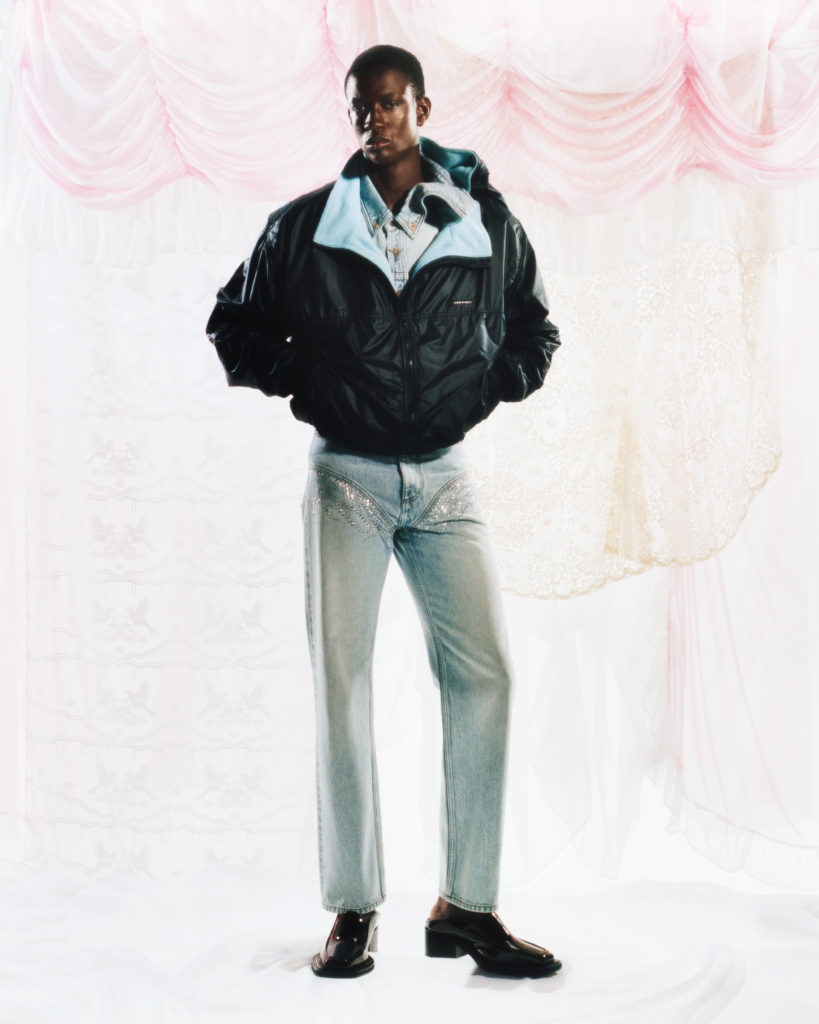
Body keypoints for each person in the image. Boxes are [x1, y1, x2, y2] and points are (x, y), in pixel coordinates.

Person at [206, 44, 562, 979]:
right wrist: (309, 384)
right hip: (348, 481)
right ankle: (354, 908)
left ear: (422, 109)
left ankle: (468, 909)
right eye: (362, 107)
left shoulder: (482, 221)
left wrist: (481, 390)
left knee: (485, 675)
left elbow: (535, 328)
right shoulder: (304, 227)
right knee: (344, 686)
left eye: (392, 103)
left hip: (444, 479)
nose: (376, 120)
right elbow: (232, 325)